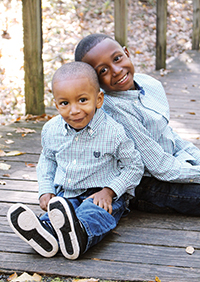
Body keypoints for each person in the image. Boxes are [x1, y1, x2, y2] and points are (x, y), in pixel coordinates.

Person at [7, 61, 144, 259]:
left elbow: (134, 166)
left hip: (101, 194)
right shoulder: (51, 130)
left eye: (82, 100)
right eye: (65, 103)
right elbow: (47, 160)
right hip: (66, 193)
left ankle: (80, 235)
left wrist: (110, 191)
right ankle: (44, 234)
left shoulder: (113, 132)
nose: (74, 110)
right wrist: (46, 189)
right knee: (57, 213)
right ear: (56, 104)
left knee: (94, 214)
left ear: (98, 100)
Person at [74, 33, 200, 216]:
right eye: (103, 71)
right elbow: (160, 167)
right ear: (94, 82)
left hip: (170, 163)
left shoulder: (150, 84)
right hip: (143, 181)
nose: (116, 70)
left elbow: (169, 134)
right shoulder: (114, 108)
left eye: (117, 58)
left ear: (127, 53)